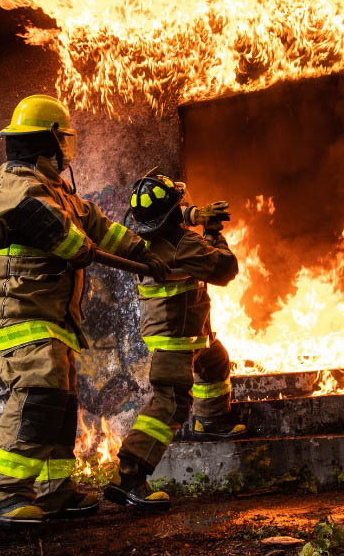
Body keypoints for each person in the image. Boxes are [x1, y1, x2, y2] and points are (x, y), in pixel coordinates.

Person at [0, 94, 169, 526]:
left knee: (61, 401)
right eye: (64, 141)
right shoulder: (13, 181)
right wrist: (75, 245)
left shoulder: (59, 191)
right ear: (50, 141)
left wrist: (142, 251)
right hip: (16, 312)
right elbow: (42, 222)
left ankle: (53, 492)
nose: (67, 151)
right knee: (40, 392)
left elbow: (96, 225)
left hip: (50, 315)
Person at [104, 173, 246, 511]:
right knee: (169, 404)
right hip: (175, 338)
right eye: (179, 208)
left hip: (183, 331)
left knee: (214, 361)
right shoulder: (186, 246)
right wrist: (213, 232)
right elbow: (226, 269)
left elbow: (163, 218)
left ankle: (210, 419)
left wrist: (195, 215)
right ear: (170, 215)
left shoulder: (141, 239)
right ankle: (130, 477)